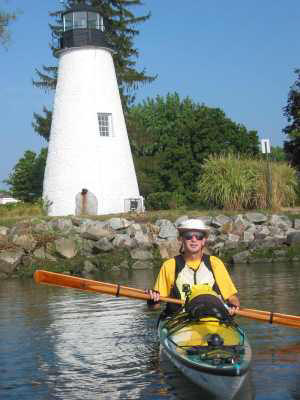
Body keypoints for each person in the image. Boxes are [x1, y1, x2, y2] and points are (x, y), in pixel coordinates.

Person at [148, 219, 240, 316]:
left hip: (212, 318)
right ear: (181, 239)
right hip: (180, 320)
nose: (194, 239)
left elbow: (232, 298)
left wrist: (232, 307)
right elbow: (154, 307)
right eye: (188, 236)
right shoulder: (170, 265)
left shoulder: (215, 263)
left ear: (204, 240)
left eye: (199, 236)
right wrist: (153, 300)